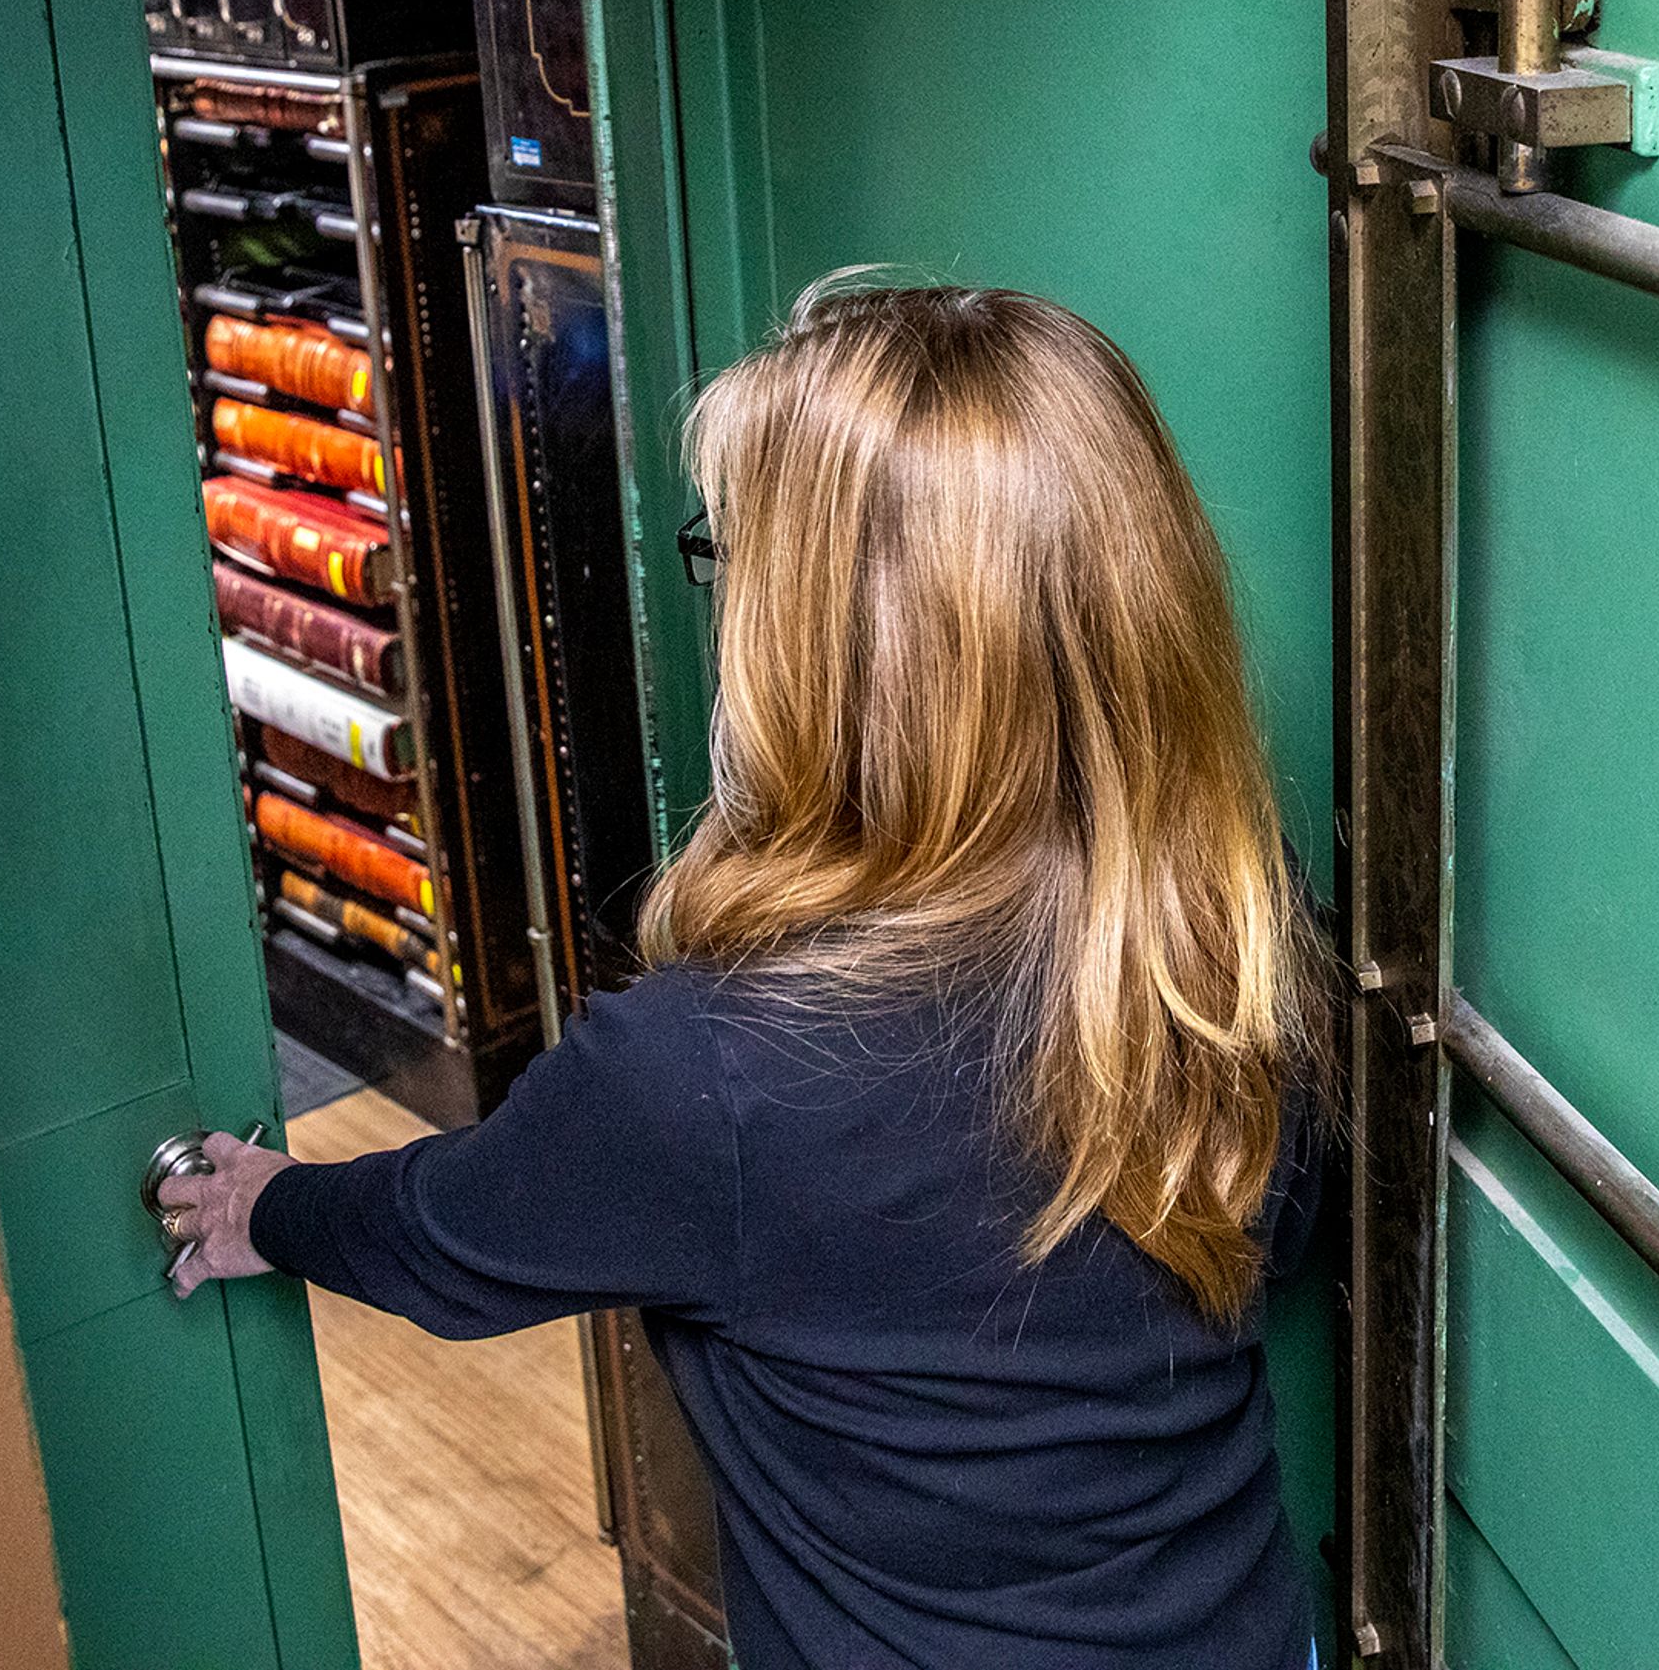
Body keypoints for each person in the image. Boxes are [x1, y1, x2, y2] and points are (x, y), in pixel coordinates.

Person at [158, 277, 1336, 1669]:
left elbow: (445, 1234)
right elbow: (1284, 1230)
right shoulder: (1227, 933)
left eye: (730, 558)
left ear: (824, 644)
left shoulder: (704, 1075)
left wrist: (271, 1205)